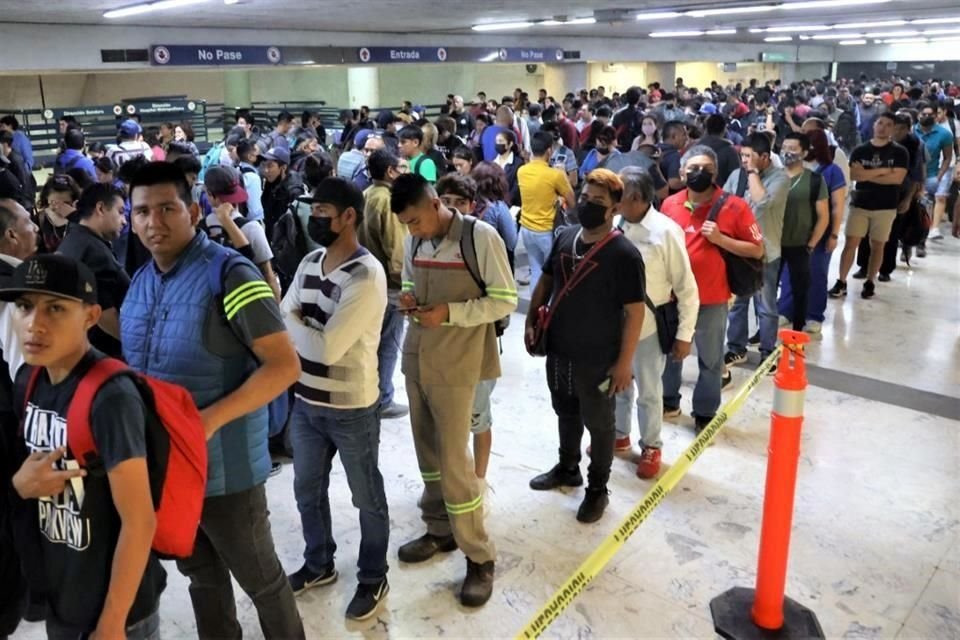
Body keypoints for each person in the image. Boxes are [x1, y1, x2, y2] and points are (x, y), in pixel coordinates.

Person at [121, 162, 305, 640]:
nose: (153, 222)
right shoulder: (143, 281)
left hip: (226, 472)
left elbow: (284, 367)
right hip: (170, 468)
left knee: (261, 579)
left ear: (193, 209)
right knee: (200, 574)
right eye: (141, 211)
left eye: (166, 208)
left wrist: (207, 421)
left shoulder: (231, 274)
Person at [6, 254, 165, 640]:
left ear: (91, 317)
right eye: (24, 307)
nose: (34, 324)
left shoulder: (111, 397)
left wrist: (112, 622)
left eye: (55, 308)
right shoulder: (28, 379)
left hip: (118, 610)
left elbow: (139, 520)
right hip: (63, 591)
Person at [391, 173, 516, 608]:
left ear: (433, 203)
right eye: (406, 225)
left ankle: (479, 557)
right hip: (418, 356)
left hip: (458, 363)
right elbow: (408, 281)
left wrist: (449, 313)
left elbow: (504, 299)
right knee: (426, 452)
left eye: (414, 221)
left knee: (454, 461)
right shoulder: (414, 242)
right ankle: (438, 530)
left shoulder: (479, 237)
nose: (412, 231)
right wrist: (409, 300)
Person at [280, 177, 390, 620]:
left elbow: (327, 349)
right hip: (306, 402)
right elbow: (282, 309)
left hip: (352, 407)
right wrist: (304, 324)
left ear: (349, 217)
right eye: (314, 209)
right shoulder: (310, 261)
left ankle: (372, 576)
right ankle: (319, 562)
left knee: (366, 497)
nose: (315, 218)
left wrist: (299, 324)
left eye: (324, 211)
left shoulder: (367, 275)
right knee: (307, 488)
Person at [525, 169, 646, 521]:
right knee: (565, 410)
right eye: (585, 198)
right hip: (560, 348)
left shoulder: (624, 254)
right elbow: (546, 282)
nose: (588, 205)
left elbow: (635, 313)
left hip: (598, 357)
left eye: (598, 202)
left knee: (600, 423)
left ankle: (597, 490)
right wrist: (532, 320)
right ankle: (567, 467)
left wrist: (624, 364)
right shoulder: (565, 236)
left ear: (614, 207)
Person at [661, 146, 764, 432]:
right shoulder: (670, 204)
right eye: (692, 169)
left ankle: (705, 411)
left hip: (712, 298)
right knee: (671, 353)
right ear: (681, 173)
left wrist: (721, 239)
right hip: (673, 297)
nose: (698, 174)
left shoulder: (734, 206)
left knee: (711, 358)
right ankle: (668, 401)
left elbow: (757, 249)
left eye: (705, 169)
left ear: (715, 173)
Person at [613, 168, 699, 479]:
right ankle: (619, 434)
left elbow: (687, 287)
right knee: (618, 384)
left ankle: (651, 445)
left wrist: (684, 335)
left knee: (649, 391)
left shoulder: (666, 232)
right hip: (615, 324)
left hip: (649, 326)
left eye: (618, 195)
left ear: (635, 198)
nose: (613, 201)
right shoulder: (614, 225)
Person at [723, 132, 789, 372]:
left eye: (749, 156)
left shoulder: (780, 178)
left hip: (766, 253)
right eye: (742, 156)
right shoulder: (736, 176)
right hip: (739, 250)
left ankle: (768, 352)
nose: (744, 161)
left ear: (764, 156)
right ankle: (736, 347)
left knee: (766, 305)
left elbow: (762, 201)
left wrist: (752, 173)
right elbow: (726, 203)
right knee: (739, 302)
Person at [829, 113, 908, 300]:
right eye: (880, 123)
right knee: (851, 243)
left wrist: (868, 173)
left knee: (878, 245)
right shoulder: (860, 150)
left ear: (893, 129)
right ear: (873, 125)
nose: (883, 127)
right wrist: (883, 171)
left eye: (888, 124)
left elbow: (897, 178)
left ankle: (870, 281)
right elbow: (855, 176)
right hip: (861, 204)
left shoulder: (899, 152)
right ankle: (841, 281)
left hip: (886, 206)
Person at [358, 149, 409, 420]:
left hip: (367, 278)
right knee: (388, 343)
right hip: (388, 286)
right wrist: (406, 286)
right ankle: (384, 398)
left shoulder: (367, 194)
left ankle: (370, 394)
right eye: (400, 168)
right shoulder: (389, 201)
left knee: (372, 342)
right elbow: (397, 249)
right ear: (390, 171)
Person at [56, 183, 129, 359]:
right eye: (120, 212)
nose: (124, 220)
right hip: (105, 352)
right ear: (101, 208)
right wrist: (135, 345)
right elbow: (105, 315)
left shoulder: (73, 240)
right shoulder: (93, 252)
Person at [774, 133, 829, 333]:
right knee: (767, 290)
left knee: (800, 289)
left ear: (804, 153)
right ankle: (764, 328)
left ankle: (797, 328)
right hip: (773, 243)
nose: (787, 152)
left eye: (793, 148)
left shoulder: (814, 180)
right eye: (784, 146)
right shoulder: (773, 175)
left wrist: (812, 243)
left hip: (800, 244)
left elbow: (823, 215)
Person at [204, 166, 281, 301]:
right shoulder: (252, 228)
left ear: (210, 194)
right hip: (249, 302)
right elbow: (268, 275)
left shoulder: (201, 229)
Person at [517, 131, 576, 294]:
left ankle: (535, 310)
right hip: (546, 232)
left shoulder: (521, 171)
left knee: (536, 270)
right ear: (549, 151)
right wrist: (563, 175)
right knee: (554, 274)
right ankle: (550, 311)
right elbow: (572, 201)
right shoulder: (555, 175)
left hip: (526, 229)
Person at [914, 102, 954, 241]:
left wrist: (939, 176)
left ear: (935, 116)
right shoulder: (911, 131)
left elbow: (948, 157)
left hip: (931, 176)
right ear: (918, 115)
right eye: (923, 114)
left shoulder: (945, 134)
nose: (926, 116)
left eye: (929, 114)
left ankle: (925, 235)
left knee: (926, 207)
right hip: (911, 176)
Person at [261, 146, 305, 240]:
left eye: (270, 166)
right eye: (264, 165)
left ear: (283, 167)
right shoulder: (270, 183)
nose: (266, 170)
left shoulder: (293, 190)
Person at [37, 175, 81, 254]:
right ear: (46, 199)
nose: (58, 208)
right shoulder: (39, 220)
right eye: (54, 203)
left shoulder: (82, 219)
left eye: (65, 203)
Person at [492, 129, 523, 205]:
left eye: (501, 141)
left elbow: (516, 190)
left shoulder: (518, 164)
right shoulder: (493, 162)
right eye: (496, 141)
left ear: (510, 144)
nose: (498, 144)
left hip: (511, 205)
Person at [659, 120, 690, 194]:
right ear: (673, 136)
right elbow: (674, 183)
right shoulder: (674, 156)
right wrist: (689, 181)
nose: (686, 138)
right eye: (684, 134)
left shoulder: (655, 149)